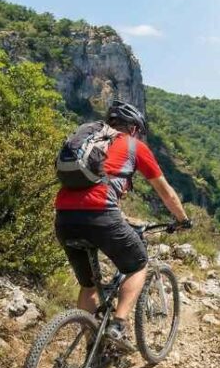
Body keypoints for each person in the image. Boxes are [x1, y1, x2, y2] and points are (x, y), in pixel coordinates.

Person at [54, 100, 190, 350]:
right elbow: (166, 193)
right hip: (101, 216)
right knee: (138, 265)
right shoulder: (134, 146)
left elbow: (93, 188)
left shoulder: (91, 142)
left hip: (64, 218)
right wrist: (182, 220)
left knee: (88, 285)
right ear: (134, 128)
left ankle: (92, 346)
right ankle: (117, 326)